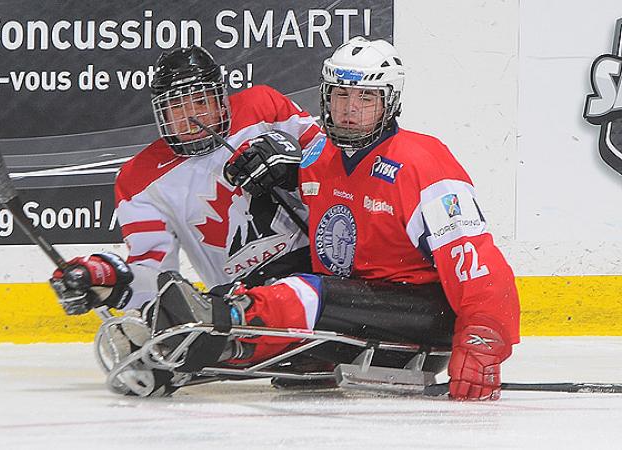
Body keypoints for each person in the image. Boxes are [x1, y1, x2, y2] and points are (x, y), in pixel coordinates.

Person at [216, 37, 520, 401]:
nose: (350, 108)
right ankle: (222, 327)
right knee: (272, 266)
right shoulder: (318, 153)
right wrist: (284, 170)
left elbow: (475, 260)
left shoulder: (423, 162)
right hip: (353, 306)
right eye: (341, 95)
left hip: (421, 316)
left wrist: (482, 339)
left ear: (389, 102)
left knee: (309, 292)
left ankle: (233, 323)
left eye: (365, 98)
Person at [49, 46, 322, 314]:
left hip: (321, 266)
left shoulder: (263, 108)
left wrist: (292, 168)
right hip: (243, 301)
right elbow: (154, 277)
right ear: (162, 114)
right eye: (177, 106)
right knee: (149, 345)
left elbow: (337, 172)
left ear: (221, 99)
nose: (191, 117)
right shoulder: (138, 180)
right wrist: (105, 277)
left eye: (202, 101)